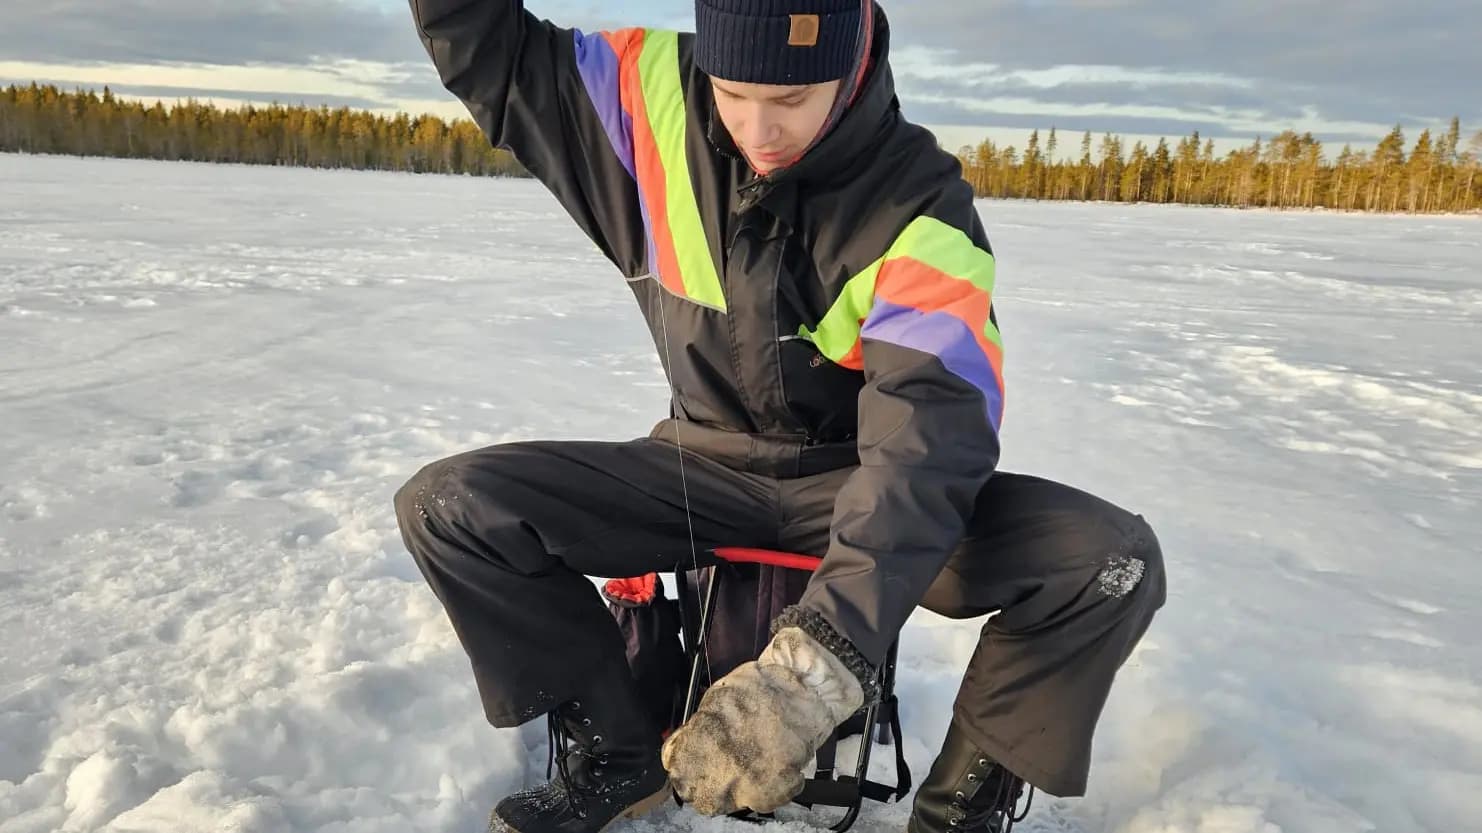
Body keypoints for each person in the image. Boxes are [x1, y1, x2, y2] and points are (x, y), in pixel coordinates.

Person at [393, 1, 1167, 832]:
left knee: (1108, 560)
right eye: (732, 92)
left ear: (851, 60)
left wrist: (814, 671)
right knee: (453, 505)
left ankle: (956, 811)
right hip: (697, 468)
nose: (760, 128)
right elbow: (492, 49)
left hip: (859, 484)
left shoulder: (921, 207)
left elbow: (928, 445)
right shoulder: (646, 102)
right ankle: (615, 757)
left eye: (793, 101)